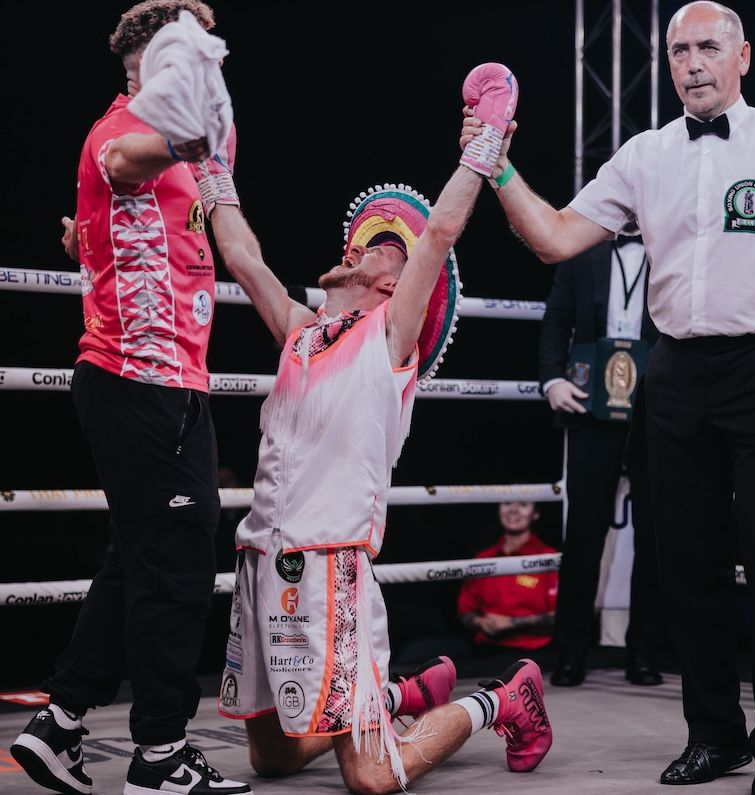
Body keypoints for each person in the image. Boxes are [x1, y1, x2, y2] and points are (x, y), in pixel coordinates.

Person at [463, 4, 755, 793]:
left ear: (743, 56)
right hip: (673, 369)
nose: (692, 62)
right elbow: (553, 238)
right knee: (684, 560)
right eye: (679, 49)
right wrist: (496, 166)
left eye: (708, 46)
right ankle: (716, 735)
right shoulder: (643, 157)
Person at [203, 64, 552, 793]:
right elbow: (239, 253)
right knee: (270, 756)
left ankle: (500, 699)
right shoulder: (301, 331)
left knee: (369, 775)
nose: (359, 245)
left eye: (379, 246)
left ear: (393, 284)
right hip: (262, 557)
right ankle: (398, 695)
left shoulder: (391, 339)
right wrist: (205, 156)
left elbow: (445, 229)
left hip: (332, 568)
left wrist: (485, 139)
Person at [9, 3, 253, 794]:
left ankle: (59, 723)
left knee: (136, 563)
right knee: (177, 571)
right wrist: (193, 126)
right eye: (186, 58)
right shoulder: (119, 130)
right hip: (134, 379)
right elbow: (124, 164)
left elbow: (227, 225)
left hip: (173, 380)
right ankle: (159, 755)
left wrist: (288, 308)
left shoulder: (194, 141)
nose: (202, 70)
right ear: (147, 63)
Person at [538, 236, 664, 687]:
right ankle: (570, 653)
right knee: (584, 533)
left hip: (656, 406)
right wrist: (552, 378)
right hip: (590, 407)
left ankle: (645, 652)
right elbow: (557, 318)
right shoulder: (580, 250)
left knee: (654, 534)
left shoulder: (671, 242)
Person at [458, 501, 559, 652]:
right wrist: (480, 622)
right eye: (506, 503)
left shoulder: (551, 559)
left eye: (523, 504)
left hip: (538, 653)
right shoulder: (483, 559)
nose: (513, 510)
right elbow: (464, 612)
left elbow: (562, 618)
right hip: (487, 650)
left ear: (536, 514)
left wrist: (511, 623)